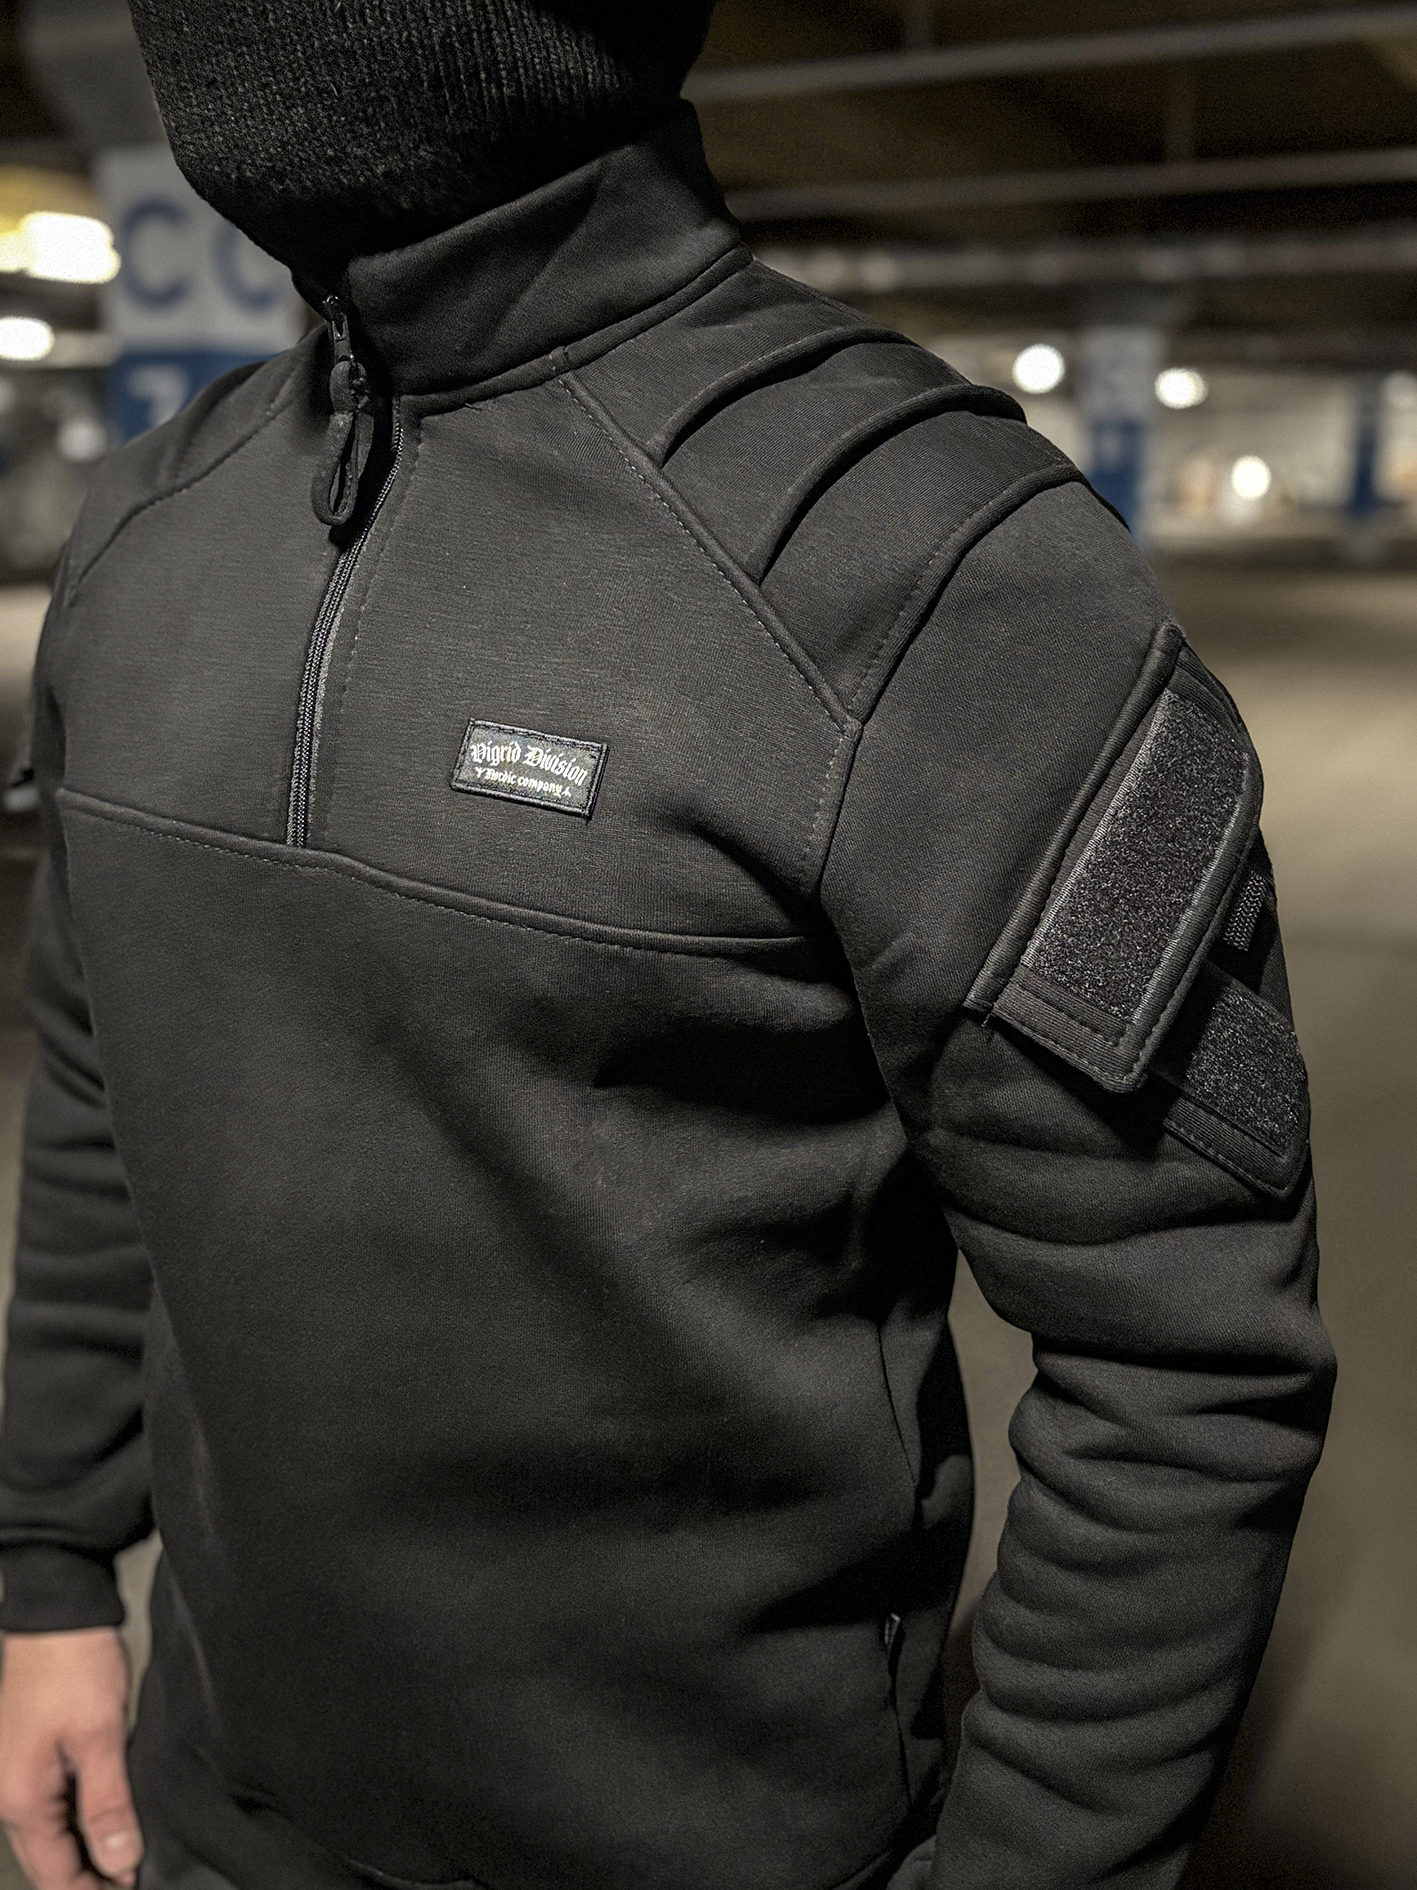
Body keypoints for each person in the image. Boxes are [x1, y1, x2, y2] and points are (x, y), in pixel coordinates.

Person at [0, 4, 1335, 1888]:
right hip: (217, 1806)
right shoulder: (151, 533)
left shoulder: (931, 567)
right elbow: (96, 1084)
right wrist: (47, 1559)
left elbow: (1184, 1356)